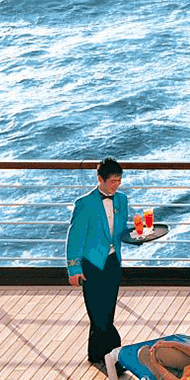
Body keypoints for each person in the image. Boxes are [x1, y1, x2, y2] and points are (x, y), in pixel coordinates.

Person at [66, 157, 129, 366]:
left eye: (119, 181)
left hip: (113, 262)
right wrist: (74, 269)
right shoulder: (85, 204)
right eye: (113, 181)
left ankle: (95, 354)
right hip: (91, 265)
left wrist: (139, 235)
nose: (116, 185)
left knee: (106, 313)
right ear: (100, 179)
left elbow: (120, 231)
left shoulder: (122, 200)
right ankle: (117, 359)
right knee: (99, 315)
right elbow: (74, 238)